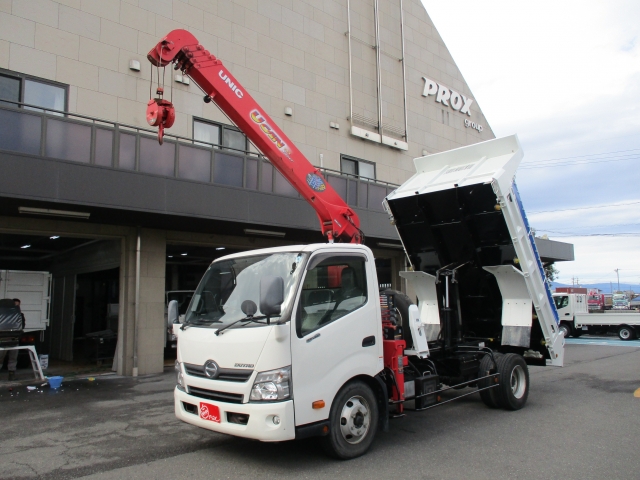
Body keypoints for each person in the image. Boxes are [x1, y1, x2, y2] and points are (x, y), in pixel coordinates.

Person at [0, 298, 25, 381]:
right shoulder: (17, 315)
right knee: (9, 358)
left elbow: (22, 325)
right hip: (13, 339)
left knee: (10, 358)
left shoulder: (17, 315)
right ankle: (11, 375)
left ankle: (12, 375)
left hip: (6, 339)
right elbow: (22, 326)